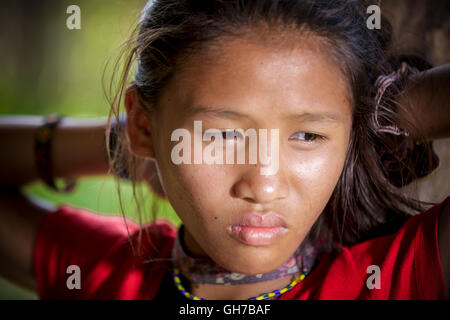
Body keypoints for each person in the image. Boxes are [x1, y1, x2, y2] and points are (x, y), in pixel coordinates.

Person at [0, 0, 449, 300]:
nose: (264, 184)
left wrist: (384, 114)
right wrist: (135, 147)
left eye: (309, 136)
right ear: (142, 123)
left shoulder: (398, 280)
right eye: (221, 135)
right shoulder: (111, 279)